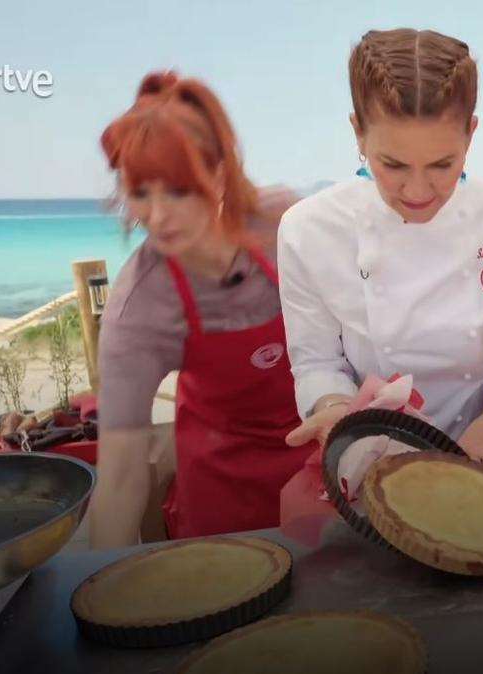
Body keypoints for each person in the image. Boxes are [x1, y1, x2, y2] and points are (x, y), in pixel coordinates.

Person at [279, 29, 483, 481]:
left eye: (443, 164)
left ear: (471, 134)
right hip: (374, 457)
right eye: (393, 165)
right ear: (358, 133)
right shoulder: (308, 229)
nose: (418, 190)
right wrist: (338, 414)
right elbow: (318, 361)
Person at [89, 71, 314, 547]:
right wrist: (92, 590)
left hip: (320, 472)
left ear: (217, 175)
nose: (157, 215)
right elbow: (122, 477)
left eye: (177, 190)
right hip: (222, 503)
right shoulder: (140, 307)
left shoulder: (286, 225)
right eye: (140, 192)